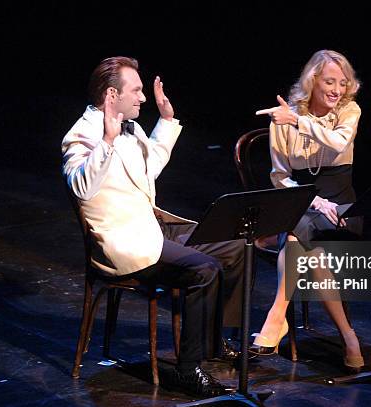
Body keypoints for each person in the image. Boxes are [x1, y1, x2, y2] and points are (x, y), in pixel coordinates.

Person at [61, 56, 244, 397]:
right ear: (111, 94)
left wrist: (167, 120)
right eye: (137, 90)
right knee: (204, 268)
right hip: (124, 240)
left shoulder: (132, 128)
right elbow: (81, 187)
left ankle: (212, 341)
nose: (143, 97)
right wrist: (107, 143)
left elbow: (150, 170)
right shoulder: (82, 136)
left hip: (149, 226)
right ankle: (188, 370)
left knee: (233, 245)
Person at [249, 49, 365, 372]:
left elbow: (338, 143)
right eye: (330, 81)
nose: (337, 90)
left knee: (294, 233)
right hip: (305, 205)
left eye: (343, 83)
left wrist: (298, 121)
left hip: (343, 208)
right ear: (312, 81)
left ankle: (276, 318)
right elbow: (280, 177)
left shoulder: (349, 112)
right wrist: (313, 201)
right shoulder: (285, 118)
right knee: (304, 239)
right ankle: (349, 336)